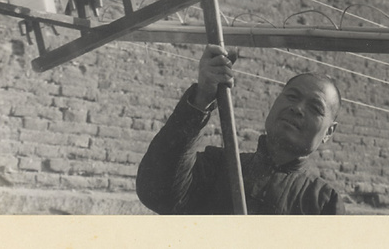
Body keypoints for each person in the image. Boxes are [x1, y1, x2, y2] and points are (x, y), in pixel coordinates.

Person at [136, 44, 345, 215]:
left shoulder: (324, 203)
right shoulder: (218, 165)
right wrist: (203, 96)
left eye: (315, 107)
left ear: (329, 132)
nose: (297, 108)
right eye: (292, 96)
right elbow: (156, 192)